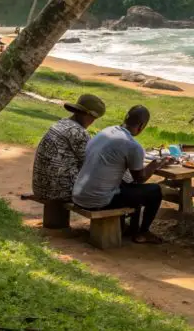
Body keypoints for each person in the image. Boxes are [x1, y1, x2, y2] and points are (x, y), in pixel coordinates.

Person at [72, 105, 170, 244]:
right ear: (142, 125)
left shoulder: (105, 132)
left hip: (78, 194)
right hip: (98, 200)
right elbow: (140, 178)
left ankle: (130, 227)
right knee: (154, 191)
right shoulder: (132, 145)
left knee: (129, 187)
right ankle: (143, 233)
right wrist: (155, 164)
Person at [31, 94, 106, 202]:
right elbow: (90, 166)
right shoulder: (79, 132)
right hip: (58, 192)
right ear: (88, 115)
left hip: (40, 188)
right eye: (94, 118)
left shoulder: (61, 123)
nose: (92, 121)